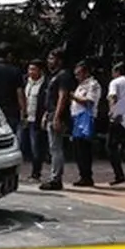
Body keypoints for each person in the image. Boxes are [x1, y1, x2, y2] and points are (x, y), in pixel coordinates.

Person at [39, 48, 75, 191]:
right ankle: (54, 176)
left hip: (57, 115)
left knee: (56, 147)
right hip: (51, 113)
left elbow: (62, 97)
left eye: (52, 58)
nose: (49, 61)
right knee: (53, 147)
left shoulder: (64, 76)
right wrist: (46, 114)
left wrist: (57, 116)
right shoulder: (54, 76)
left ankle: (56, 179)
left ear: (59, 60)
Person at [71, 62, 102, 187]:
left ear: (86, 72)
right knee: (78, 148)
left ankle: (87, 176)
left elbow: (89, 102)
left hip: (85, 118)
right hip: (77, 118)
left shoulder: (92, 85)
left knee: (84, 148)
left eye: (79, 74)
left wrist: (73, 97)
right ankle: (82, 174)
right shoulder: (80, 85)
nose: (77, 77)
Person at [21, 59, 47, 180]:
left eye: (33, 69)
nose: (31, 72)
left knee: (36, 146)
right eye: (29, 69)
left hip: (36, 118)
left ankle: (36, 173)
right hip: (25, 117)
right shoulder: (25, 81)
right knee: (21, 144)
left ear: (40, 71)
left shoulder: (45, 83)